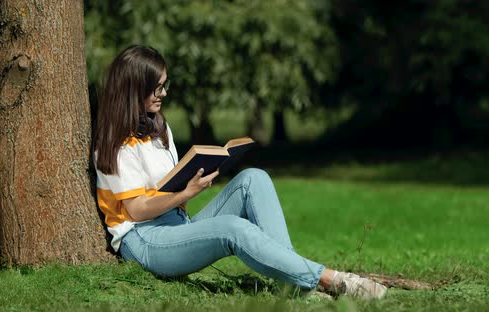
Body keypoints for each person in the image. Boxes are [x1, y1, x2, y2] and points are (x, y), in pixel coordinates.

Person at [93, 45, 387, 300]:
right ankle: (334, 280)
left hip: (176, 224)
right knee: (232, 228)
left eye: (165, 84)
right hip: (144, 240)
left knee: (253, 179)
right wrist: (185, 193)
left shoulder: (158, 126)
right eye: (157, 88)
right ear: (134, 88)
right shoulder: (117, 144)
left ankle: (296, 280)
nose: (165, 93)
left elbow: (167, 185)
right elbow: (137, 210)